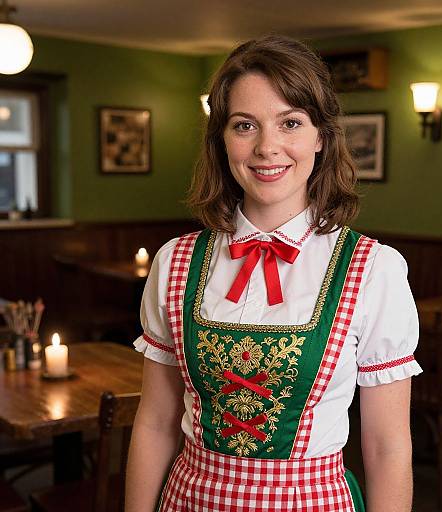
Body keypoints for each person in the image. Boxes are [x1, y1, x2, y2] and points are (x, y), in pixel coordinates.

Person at [125, 34, 422, 512]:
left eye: (291, 123)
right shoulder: (175, 261)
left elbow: (388, 448)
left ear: (321, 136)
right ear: (221, 139)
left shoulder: (372, 270)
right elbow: (155, 423)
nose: (267, 147)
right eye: (245, 125)